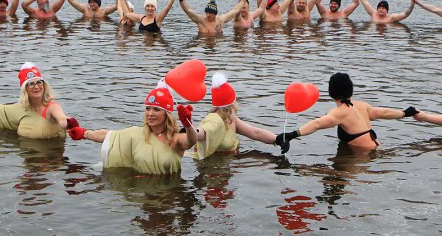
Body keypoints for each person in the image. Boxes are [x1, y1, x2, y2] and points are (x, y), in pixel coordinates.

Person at [67, 82, 196, 175]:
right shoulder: (137, 134)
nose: (150, 113)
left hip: (169, 195)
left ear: (166, 114)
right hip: (142, 193)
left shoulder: (175, 139)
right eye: (147, 108)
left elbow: (191, 141)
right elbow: (109, 136)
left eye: (156, 109)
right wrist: (83, 133)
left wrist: (188, 125)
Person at [275, 72, 418, 154]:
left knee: (336, 179)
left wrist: (291, 135)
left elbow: (317, 124)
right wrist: (404, 113)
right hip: (376, 146)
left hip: (362, 155)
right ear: (351, 90)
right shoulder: (361, 105)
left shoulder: (339, 112)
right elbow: (384, 112)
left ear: (331, 92)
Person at [178, 72, 276, 159]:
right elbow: (204, 131)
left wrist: (278, 139)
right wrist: (190, 128)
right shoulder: (214, 119)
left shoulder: (230, 118)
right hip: (213, 170)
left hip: (227, 164)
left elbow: (256, 133)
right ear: (232, 103)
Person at [0, 62, 76, 139]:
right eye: (31, 84)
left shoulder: (52, 107)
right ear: (24, 89)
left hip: (50, 154)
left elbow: (62, 119)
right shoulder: (21, 108)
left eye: (39, 82)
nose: (36, 87)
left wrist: (69, 122)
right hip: (25, 152)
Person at [174, 0, 246, 35]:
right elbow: (188, 10)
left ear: (215, 14)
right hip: (204, 44)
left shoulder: (221, 20)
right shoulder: (201, 20)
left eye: (210, 13)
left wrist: (243, 0)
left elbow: (235, 11)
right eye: (207, 12)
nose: (208, 15)